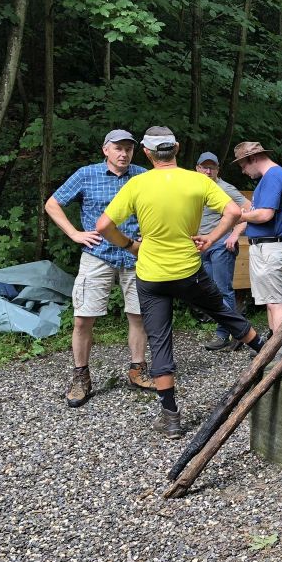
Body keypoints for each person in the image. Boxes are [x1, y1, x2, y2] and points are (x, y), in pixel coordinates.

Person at [96, 127, 267, 439]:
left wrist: (130, 246)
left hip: (151, 276)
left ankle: (171, 418)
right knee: (223, 312)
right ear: (176, 148)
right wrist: (211, 238)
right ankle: (267, 353)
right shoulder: (197, 180)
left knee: (159, 340)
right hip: (189, 272)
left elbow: (103, 225)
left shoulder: (137, 184)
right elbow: (234, 211)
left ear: (146, 153)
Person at [45, 129, 155, 408]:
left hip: (135, 256)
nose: (124, 154)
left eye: (128, 149)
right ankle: (81, 377)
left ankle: (138, 371)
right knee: (83, 318)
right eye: (118, 148)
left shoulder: (143, 176)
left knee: (139, 316)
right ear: (105, 150)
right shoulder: (86, 174)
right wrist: (74, 233)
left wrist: (150, 236)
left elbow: (158, 210)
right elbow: (53, 203)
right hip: (97, 255)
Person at [232, 141, 282, 341]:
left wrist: (239, 216)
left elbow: (265, 214)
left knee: (276, 302)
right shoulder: (271, 177)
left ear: (253, 158)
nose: (243, 171)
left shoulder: (273, 177)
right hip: (266, 246)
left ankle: (281, 349)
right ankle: (272, 346)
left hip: (270, 248)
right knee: (271, 301)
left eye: (243, 166)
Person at [194, 151, 249, 351]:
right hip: (201, 246)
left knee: (223, 290)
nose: (208, 171)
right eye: (204, 167)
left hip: (221, 246)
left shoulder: (225, 188)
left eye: (212, 168)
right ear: (197, 168)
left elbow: (248, 208)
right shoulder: (192, 187)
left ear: (218, 169)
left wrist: (235, 234)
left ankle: (225, 334)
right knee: (211, 291)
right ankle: (238, 329)